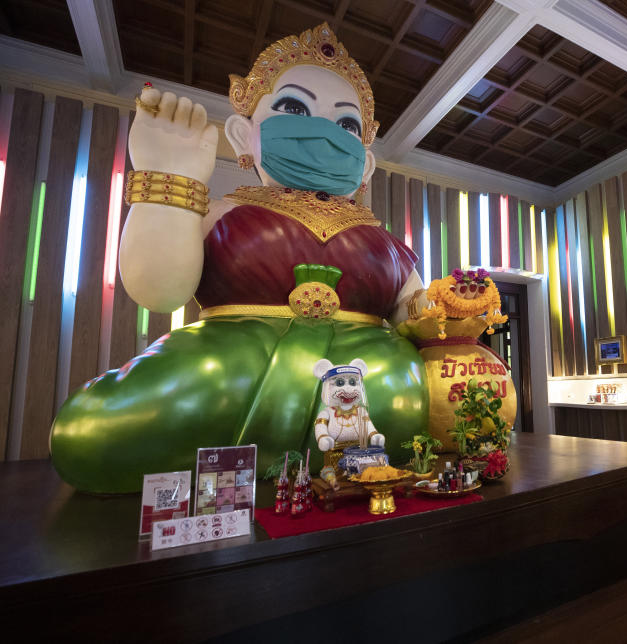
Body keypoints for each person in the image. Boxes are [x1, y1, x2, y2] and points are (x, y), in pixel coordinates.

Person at [49, 24, 430, 493]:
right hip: (226, 374)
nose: (324, 134)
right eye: (293, 108)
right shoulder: (223, 212)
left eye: (347, 126)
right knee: (91, 433)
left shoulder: (384, 239)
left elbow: (419, 317)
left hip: (371, 384)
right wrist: (170, 177)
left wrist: (444, 319)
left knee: (427, 388)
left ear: (366, 164)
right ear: (242, 134)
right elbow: (160, 292)